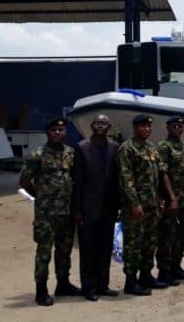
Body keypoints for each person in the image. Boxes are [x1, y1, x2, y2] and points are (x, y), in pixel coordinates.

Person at [20, 117, 81, 306]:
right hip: (46, 215)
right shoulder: (36, 155)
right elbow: (24, 181)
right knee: (44, 252)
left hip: (66, 212)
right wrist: (41, 197)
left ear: (65, 133)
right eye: (54, 130)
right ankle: (41, 290)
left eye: (61, 130)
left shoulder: (71, 154)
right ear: (48, 133)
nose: (57, 133)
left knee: (64, 251)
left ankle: (63, 284)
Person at [72, 114, 120, 301]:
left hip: (108, 207)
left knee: (105, 248)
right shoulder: (82, 148)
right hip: (88, 208)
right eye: (97, 123)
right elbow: (77, 182)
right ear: (92, 126)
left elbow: (116, 179)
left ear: (109, 127)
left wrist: (118, 206)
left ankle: (103, 285)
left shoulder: (114, 147)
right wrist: (77, 211)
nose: (100, 126)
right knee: (88, 250)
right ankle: (89, 287)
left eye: (104, 123)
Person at [117, 114, 165, 296]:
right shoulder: (127, 149)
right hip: (135, 208)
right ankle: (131, 281)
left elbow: (157, 176)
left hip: (152, 205)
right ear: (135, 128)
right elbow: (126, 179)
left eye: (148, 127)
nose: (146, 129)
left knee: (150, 242)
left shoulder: (151, 148)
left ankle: (146, 275)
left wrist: (160, 199)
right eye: (143, 126)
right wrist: (135, 204)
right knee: (133, 244)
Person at [156, 116, 184, 286]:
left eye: (180, 126)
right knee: (167, 237)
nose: (178, 128)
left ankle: (176, 267)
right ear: (168, 127)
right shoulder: (163, 147)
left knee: (182, 236)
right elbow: (162, 173)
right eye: (174, 125)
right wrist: (171, 198)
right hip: (171, 201)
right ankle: (164, 272)